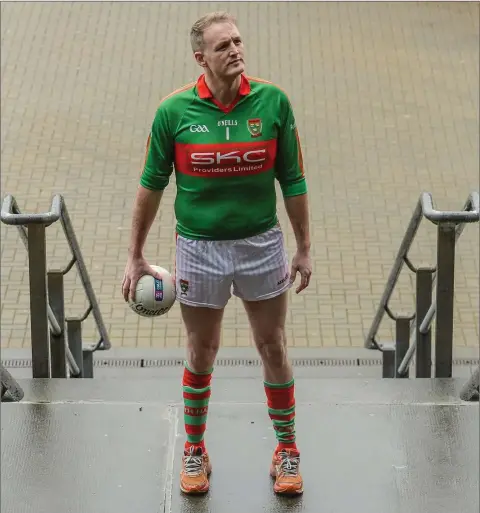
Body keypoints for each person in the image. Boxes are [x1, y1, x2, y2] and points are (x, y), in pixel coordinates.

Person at [122, 11, 312, 497]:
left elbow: (292, 180)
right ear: (200, 57)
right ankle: (195, 449)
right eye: (223, 45)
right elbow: (151, 185)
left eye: (238, 41)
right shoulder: (174, 112)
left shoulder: (273, 103)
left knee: (273, 345)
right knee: (201, 351)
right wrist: (135, 256)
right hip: (199, 250)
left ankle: (287, 448)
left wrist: (304, 247)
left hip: (261, 246)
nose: (235, 50)